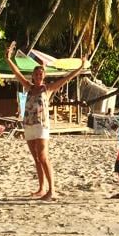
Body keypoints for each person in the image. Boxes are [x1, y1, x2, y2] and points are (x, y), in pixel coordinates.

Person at [5, 41, 82, 200]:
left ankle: (51, 190)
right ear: (33, 76)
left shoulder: (48, 89)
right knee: (36, 158)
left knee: (43, 156)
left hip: (41, 126)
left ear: (44, 76)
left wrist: (80, 68)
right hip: (28, 125)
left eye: (41, 75)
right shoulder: (28, 87)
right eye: (37, 75)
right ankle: (41, 188)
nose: (39, 77)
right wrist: (8, 59)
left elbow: (67, 78)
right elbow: (16, 73)